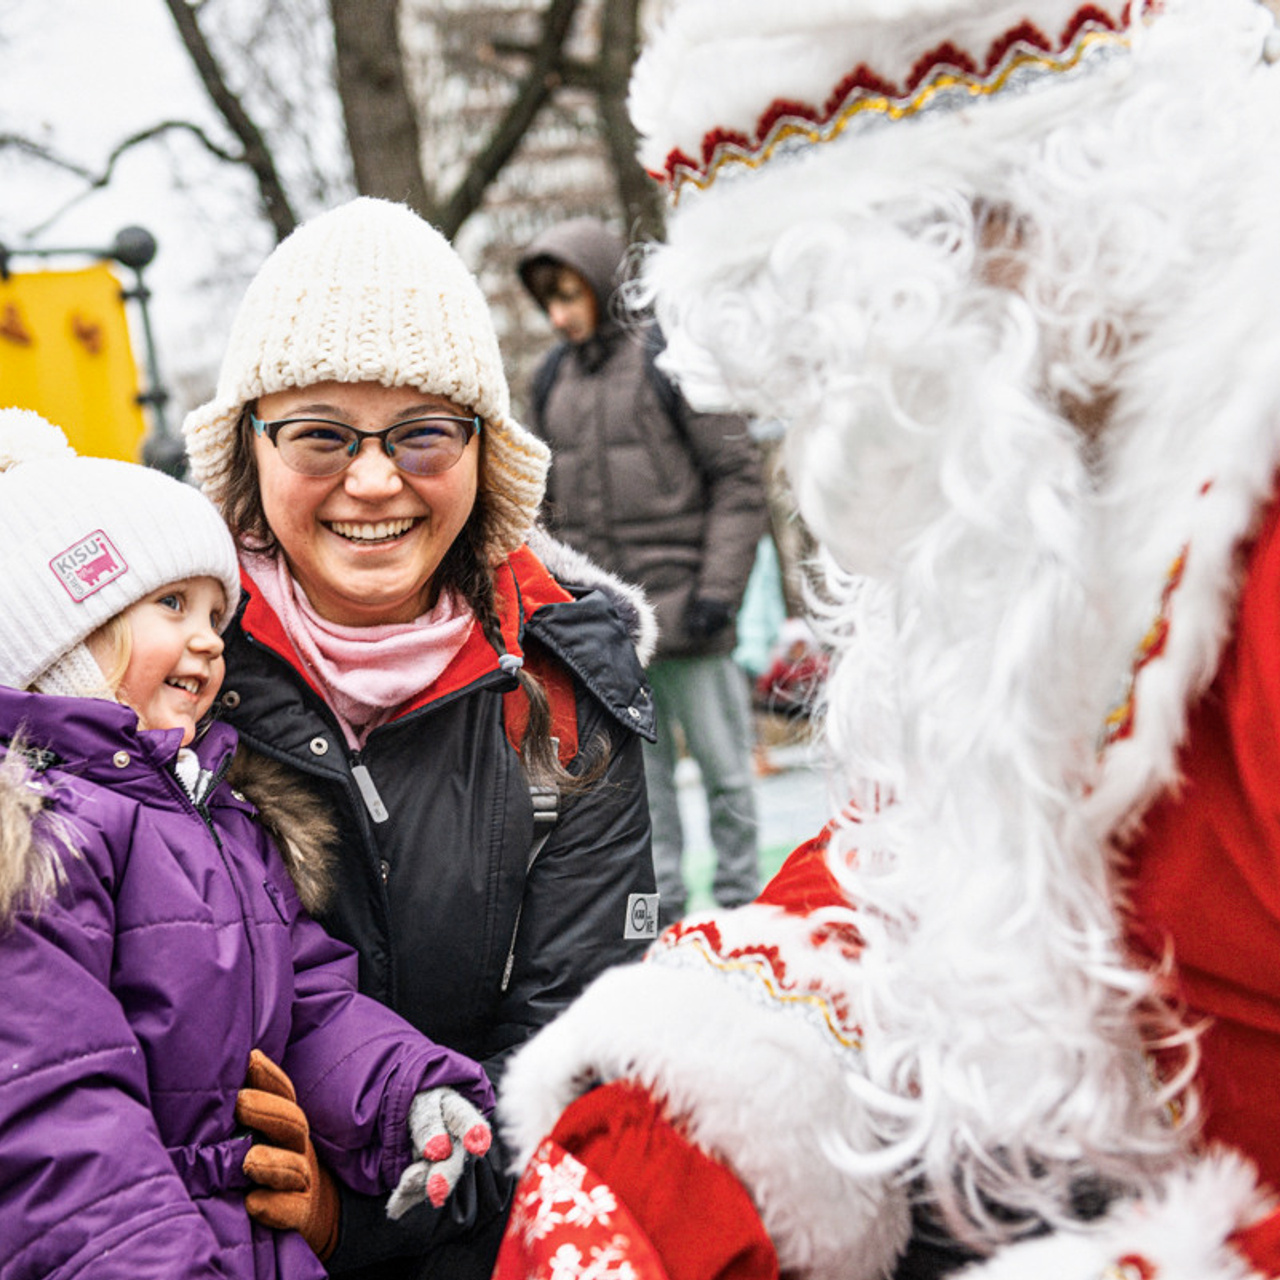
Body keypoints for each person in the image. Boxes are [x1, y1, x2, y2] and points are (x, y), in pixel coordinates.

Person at [494, 1, 1280, 1277]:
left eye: (848, 351)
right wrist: (671, 1133)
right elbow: (944, 860)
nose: (833, 444)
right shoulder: (1076, 496)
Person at [179, 196, 659, 1279]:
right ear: (248, 451)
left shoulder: (566, 696)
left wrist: (352, 1217)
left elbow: (570, 1070)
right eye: (319, 432)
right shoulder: (164, 684)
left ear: (482, 451)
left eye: (422, 431)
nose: (374, 477)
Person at [0, 407, 494, 1280]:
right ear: (64, 640)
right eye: (169, 604)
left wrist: (404, 1094)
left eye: (215, 613)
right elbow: (58, 1118)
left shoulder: (214, 818)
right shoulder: (42, 844)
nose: (207, 640)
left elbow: (304, 1003)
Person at [517, 216, 769, 927]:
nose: (560, 314)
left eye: (570, 295)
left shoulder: (671, 356)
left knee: (724, 772)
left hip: (692, 611)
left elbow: (736, 479)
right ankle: (660, 921)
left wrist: (720, 592)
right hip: (611, 629)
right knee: (641, 789)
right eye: (549, 302)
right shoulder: (551, 379)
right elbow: (547, 505)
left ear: (600, 284)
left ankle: (744, 904)